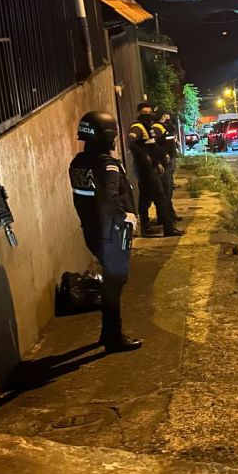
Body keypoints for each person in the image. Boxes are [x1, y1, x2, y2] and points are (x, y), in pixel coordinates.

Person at [69, 112, 143, 353]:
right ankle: (113, 337)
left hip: (92, 230)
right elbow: (110, 199)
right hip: (111, 233)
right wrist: (126, 218)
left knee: (113, 280)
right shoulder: (107, 165)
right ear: (108, 136)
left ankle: (108, 334)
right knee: (115, 282)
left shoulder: (79, 163)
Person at [127, 102, 181, 237]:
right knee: (160, 197)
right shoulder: (137, 127)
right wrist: (147, 160)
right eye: (144, 113)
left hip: (150, 168)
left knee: (146, 198)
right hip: (145, 169)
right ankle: (168, 228)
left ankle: (146, 228)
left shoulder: (147, 127)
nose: (148, 115)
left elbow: (152, 147)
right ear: (139, 113)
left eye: (149, 112)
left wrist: (160, 158)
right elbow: (132, 143)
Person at [152, 107, 181, 223]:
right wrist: (162, 157)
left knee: (168, 190)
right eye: (167, 114)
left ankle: (170, 215)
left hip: (169, 160)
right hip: (164, 161)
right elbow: (155, 145)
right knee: (165, 191)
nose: (169, 115)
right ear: (163, 115)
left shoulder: (166, 125)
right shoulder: (157, 127)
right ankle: (164, 217)